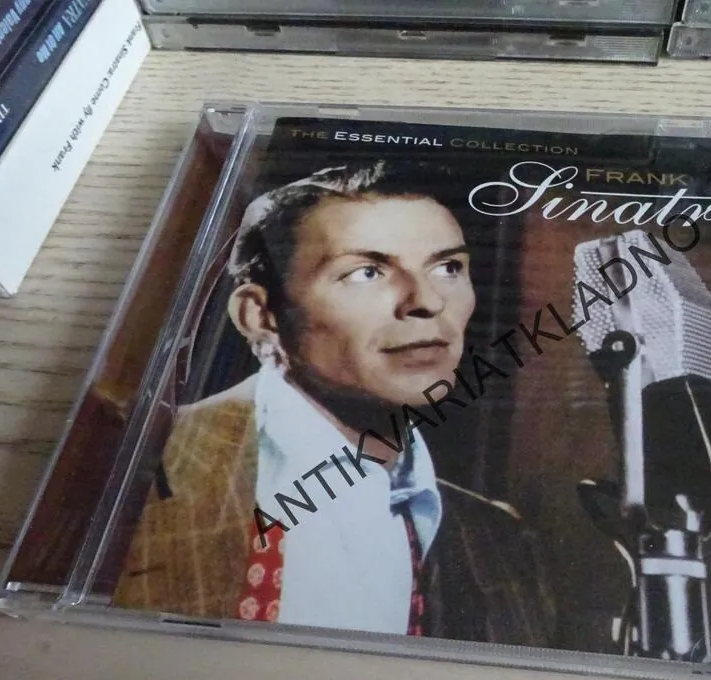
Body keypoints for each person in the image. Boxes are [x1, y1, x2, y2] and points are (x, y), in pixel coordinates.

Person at [113, 161, 556, 647]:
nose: (426, 301)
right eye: (367, 272)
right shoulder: (141, 464)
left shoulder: (500, 539)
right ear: (260, 314)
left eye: (448, 268)